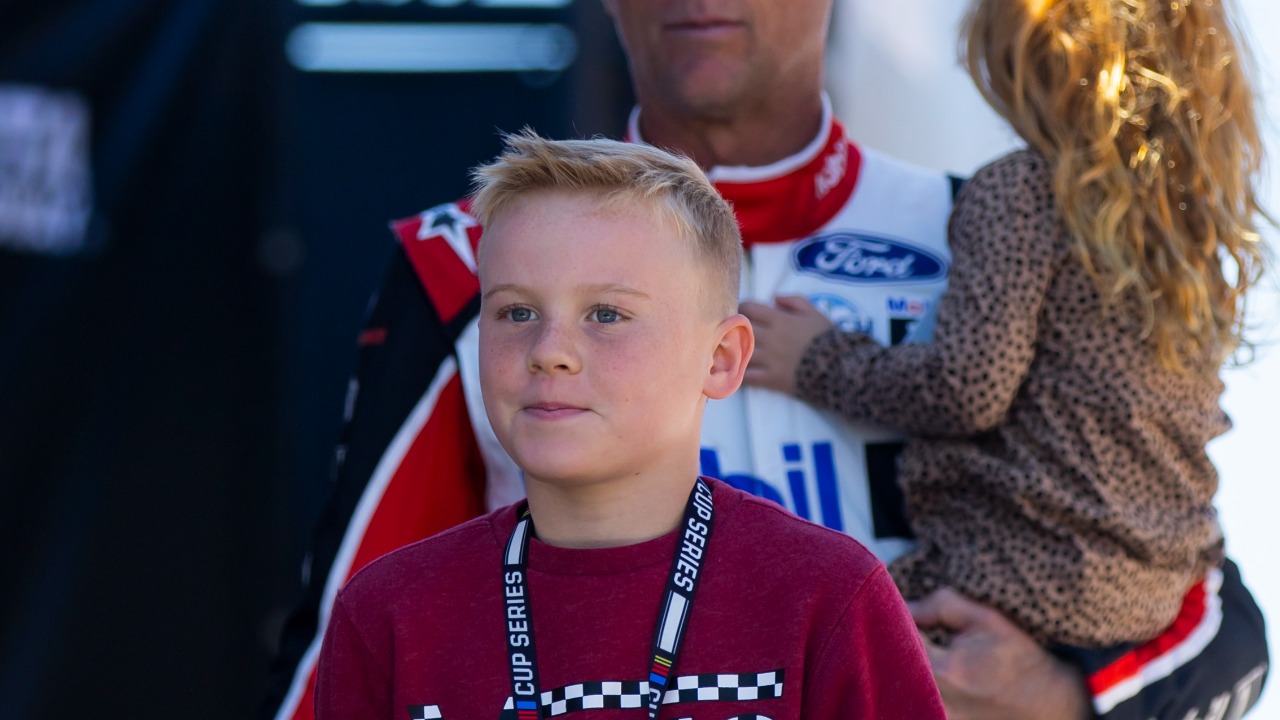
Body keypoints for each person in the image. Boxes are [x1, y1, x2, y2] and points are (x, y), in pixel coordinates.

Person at [263, 1, 1269, 719]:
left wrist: (1065, 693)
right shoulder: (464, 263)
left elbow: (1209, 612)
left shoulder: (997, 234)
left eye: (608, 316)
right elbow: (345, 661)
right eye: (523, 317)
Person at [313, 133, 946, 720]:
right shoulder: (388, 615)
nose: (549, 351)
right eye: (517, 312)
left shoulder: (828, 597)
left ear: (720, 359)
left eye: (607, 314)